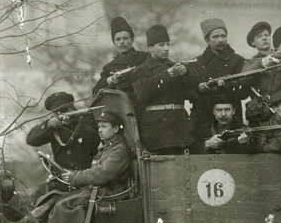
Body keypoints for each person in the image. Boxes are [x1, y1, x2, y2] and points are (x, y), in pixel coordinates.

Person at [0, 110, 132, 223]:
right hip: (97, 190)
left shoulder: (119, 150)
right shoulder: (109, 148)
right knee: (54, 196)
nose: (100, 130)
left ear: (116, 129)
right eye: (99, 126)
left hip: (107, 193)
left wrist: (75, 177)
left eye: (104, 126)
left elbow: (102, 174)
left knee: (62, 207)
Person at [133, 24, 197, 154]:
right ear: (150, 48)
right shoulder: (140, 71)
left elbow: (195, 85)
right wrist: (166, 75)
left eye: (168, 44)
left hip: (179, 127)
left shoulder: (176, 67)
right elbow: (142, 94)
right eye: (161, 45)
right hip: (156, 129)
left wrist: (186, 71)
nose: (166, 48)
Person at [26, 92, 100, 192]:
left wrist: (74, 124)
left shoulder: (85, 118)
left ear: (71, 107)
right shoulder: (54, 125)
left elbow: (95, 139)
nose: (61, 114)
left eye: (64, 110)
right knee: (38, 195)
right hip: (60, 177)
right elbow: (31, 140)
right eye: (57, 112)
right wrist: (47, 125)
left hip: (81, 177)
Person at [188, 18, 248, 130]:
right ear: (207, 40)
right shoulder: (196, 63)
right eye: (215, 37)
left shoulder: (238, 61)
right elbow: (187, 91)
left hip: (231, 117)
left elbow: (244, 92)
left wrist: (229, 86)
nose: (220, 40)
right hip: (203, 116)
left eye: (223, 36)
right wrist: (198, 88)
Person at [92, 17, 149, 111]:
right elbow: (95, 92)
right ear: (114, 42)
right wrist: (110, 80)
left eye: (125, 38)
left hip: (143, 108)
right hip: (121, 111)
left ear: (132, 40)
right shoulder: (109, 67)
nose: (121, 42)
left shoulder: (145, 58)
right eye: (118, 39)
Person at [190, 96, 255, 154]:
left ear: (234, 111)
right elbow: (192, 150)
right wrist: (207, 144)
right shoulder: (205, 129)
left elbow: (253, 154)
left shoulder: (243, 129)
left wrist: (242, 143)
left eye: (227, 110)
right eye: (219, 110)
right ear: (213, 111)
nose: (223, 114)